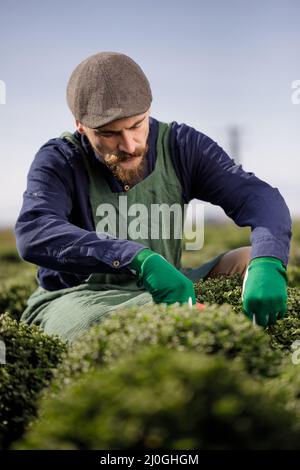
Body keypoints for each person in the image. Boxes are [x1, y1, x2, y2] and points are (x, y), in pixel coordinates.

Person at [15, 51, 291, 342]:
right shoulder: (60, 159)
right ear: (80, 125)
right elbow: (34, 230)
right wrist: (138, 259)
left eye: (136, 125)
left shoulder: (182, 146)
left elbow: (259, 199)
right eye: (109, 134)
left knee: (250, 259)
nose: (130, 145)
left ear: (149, 109)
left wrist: (268, 260)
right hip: (79, 298)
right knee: (109, 332)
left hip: (171, 283)